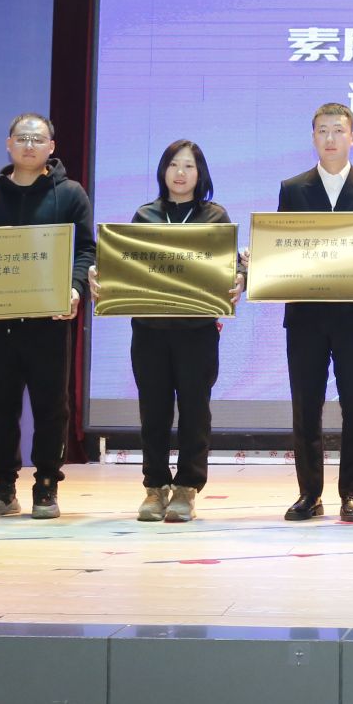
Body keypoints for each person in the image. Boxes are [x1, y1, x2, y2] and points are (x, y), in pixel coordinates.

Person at [0, 114, 94, 521]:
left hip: (48, 321)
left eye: (38, 139)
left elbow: (86, 250)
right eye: (22, 138)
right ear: (9, 144)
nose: (30, 145)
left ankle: (46, 485)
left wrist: (74, 288)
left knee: (51, 407)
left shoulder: (70, 194)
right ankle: (1, 488)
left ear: (51, 147)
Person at [91, 140, 238, 523]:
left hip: (197, 332)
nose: (180, 173)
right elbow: (126, 266)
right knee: (153, 412)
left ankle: (187, 487)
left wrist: (240, 275)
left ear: (200, 173)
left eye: (188, 166)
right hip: (150, 331)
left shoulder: (214, 217)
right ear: (163, 171)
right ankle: (155, 487)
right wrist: (102, 275)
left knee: (194, 411)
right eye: (173, 165)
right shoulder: (146, 215)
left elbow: (230, 266)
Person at [277, 102, 353, 523]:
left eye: (338, 130)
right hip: (305, 316)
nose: (330, 138)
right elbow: (279, 243)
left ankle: (351, 494)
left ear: (352, 137)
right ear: (313, 137)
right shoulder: (293, 188)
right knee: (305, 407)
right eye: (323, 130)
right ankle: (309, 494)